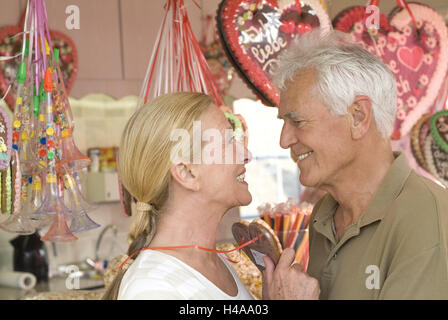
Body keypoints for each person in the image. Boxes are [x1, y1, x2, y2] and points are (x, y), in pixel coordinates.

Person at [262, 29, 448, 299]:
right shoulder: (324, 214)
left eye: (297, 121)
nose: (284, 140)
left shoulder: (427, 217)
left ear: (358, 116)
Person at [102, 92, 254, 300]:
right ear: (186, 172)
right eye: (228, 142)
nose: (247, 155)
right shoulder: (152, 289)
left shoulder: (216, 263)